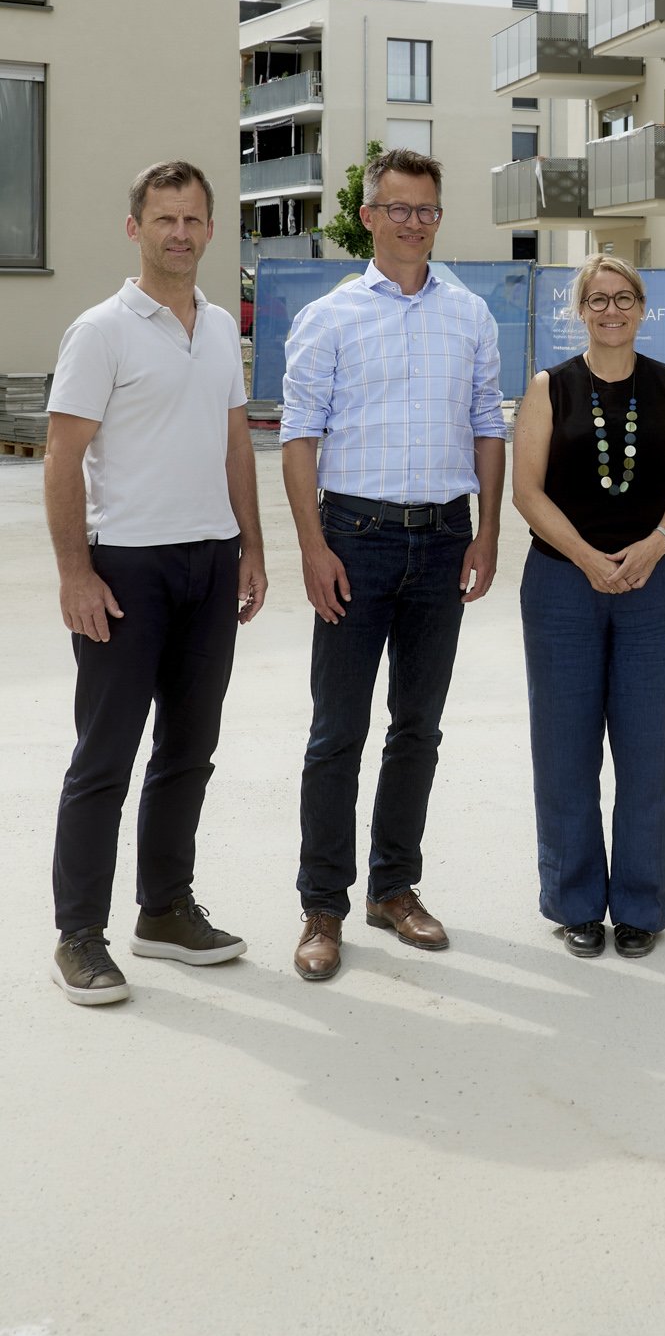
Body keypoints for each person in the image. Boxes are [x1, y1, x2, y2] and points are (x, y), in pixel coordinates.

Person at [280, 148, 505, 982]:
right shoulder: (331, 317)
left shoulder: (470, 314)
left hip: (444, 541)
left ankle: (393, 888)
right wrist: (312, 547)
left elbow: (488, 424)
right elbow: (299, 439)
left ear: (438, 218)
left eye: (428, 210)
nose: (414, 222)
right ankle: (322, 907)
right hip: (354, 541)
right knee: (336, 732)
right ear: (369, 216)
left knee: (418, 728)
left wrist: (486, 534)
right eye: (399, 208)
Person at [45, 160, 267, 1006]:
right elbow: (62, 457)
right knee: (104, 756)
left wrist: (249, 546)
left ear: (211, 229)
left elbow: (237, 444)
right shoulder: (101, 330)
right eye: (164, 219)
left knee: (188, 750)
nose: (180, 233)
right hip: (127, 565)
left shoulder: (216, 329)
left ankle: (165, 911)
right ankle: (79, 935)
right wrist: (75, 572)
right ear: (134, 228)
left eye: (194, 219)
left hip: (208, 564)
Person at [512, 256, 665, 960]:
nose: (611, 310)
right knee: (564, 753)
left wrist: (652, 547)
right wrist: (590, 559)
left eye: (623, 298)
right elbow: (527, 493)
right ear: (580, 310)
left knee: (650, 755)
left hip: (655, 586)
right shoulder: (548, 388)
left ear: (641, 307)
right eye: (597, 299)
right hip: (564, 586)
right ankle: (575, 904)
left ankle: (640, 906)